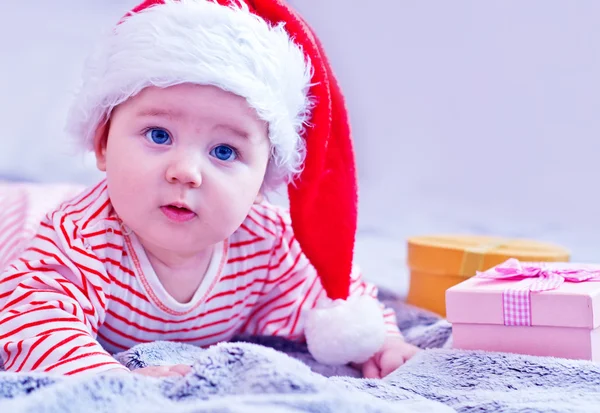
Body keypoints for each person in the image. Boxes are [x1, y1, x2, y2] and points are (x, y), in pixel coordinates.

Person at [0, 0, 419, 379]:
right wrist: (110, 379)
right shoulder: (78, 239)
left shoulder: (267, 245)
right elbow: (29, 318)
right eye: (159, 135)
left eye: (223, 150)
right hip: (21, 216)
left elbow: (335, 294)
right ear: (103, 145)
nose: (186, 172)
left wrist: (378, 342)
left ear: (262, 182)